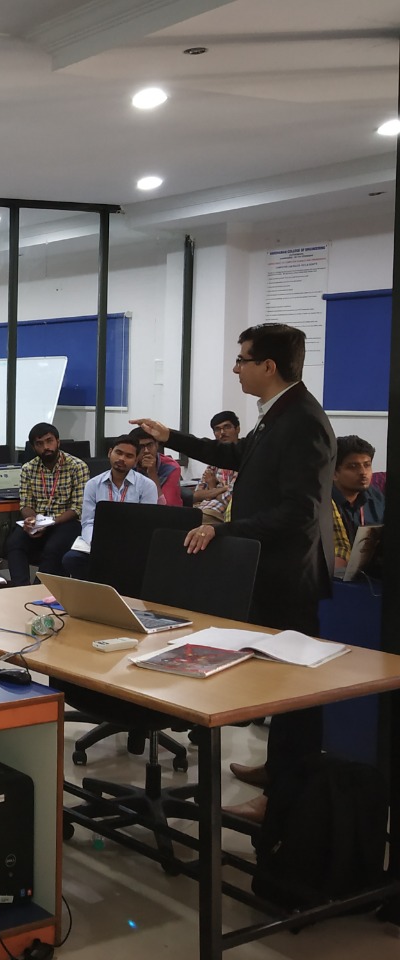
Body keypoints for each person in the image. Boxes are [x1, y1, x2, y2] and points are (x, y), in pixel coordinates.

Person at [131, 322, 335, 824]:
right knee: (277, 682)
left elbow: (300, 512)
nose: (235, 368)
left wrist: (225, 529)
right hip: (268, 569)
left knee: (294, 688)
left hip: (288, 576)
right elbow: (236, 455)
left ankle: (283, 798)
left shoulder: (302, 421)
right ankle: (278, 768)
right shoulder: (277, 413)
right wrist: (171, 436)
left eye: (242, 359)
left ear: (268, 365)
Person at [59, 435, 158, 579]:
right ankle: (96, 591)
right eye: (118, 452)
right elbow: (88, 522)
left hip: (131, 543)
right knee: (71, 559)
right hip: (99, 541)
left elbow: (146, 525)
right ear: (110, 452)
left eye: (129, 456)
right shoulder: (93, 484)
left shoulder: (147, 486)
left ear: (136, 460)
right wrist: (97, 543)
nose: (122, 459)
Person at [4, 422, 88, 587]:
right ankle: (20, 588)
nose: (46, 447)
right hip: (39, 521)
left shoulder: (77, 467)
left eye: (49, 441)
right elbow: (26, 504)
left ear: (58, 441)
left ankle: (39, 589)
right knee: (14, 542)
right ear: (34, 447)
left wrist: (51, 522)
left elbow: (77, 508)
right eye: (39, 444)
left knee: (54, 548)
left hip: (65, 522)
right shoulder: (28, 469)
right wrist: (31, 521)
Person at [330, 435, 384, 570]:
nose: (363, 472)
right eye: (353, 466)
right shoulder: (322, 502)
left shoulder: (376, 497)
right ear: (334, 473)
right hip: (335, 572)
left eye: (367, 465)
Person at [193, 411, 241, 523]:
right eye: (217, 429)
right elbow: (196, 495)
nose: (222, 433)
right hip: (201, 509)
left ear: (237, 429)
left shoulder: (243, 457)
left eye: (227, 427)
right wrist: (221, 489)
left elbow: (229, 499)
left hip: (222, 515)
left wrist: (211, 487)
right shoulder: (215, 460)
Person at [129, 427, 183, 506]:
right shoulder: (128, 464)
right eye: (141, 447)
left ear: (157, 445)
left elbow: (168, 507)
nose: (146, 451)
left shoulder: (171, 467)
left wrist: (152, 473)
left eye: (150, 445)